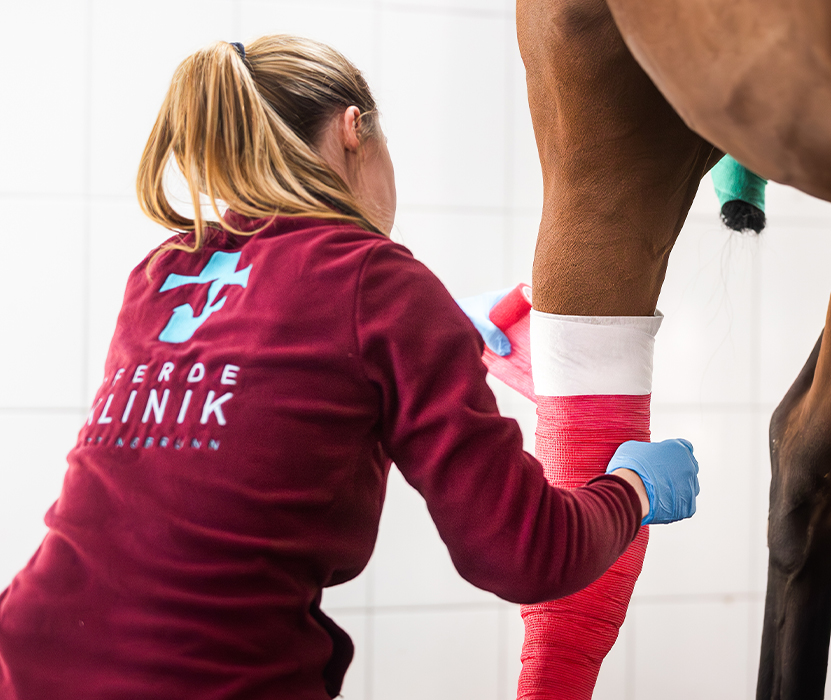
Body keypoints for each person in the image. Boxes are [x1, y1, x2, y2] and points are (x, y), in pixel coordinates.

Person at [0, 35, 699, 700]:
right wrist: (633, 489)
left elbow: (261, 377)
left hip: (25, 659)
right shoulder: (377, 279)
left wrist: (442, 331)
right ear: (353, 129)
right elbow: (526, 554)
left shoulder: (162, 271)